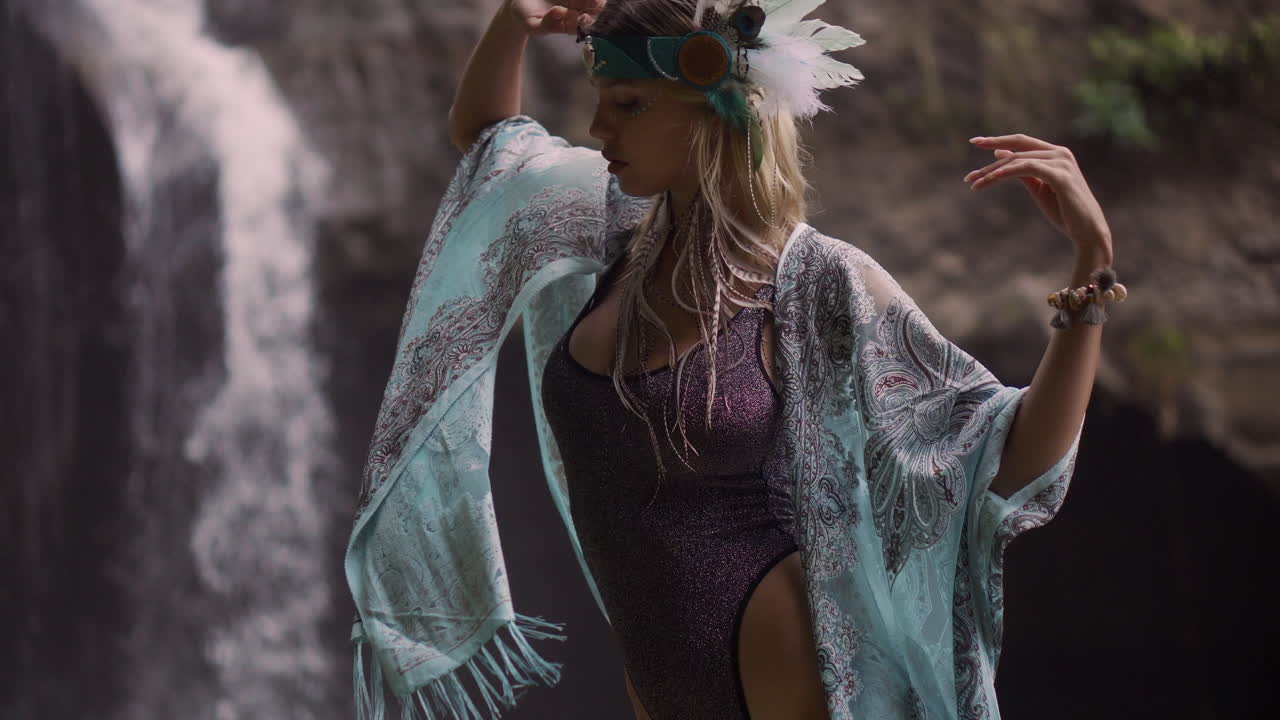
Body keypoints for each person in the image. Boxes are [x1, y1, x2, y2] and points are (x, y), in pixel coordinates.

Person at [347, 1, 1122, 719]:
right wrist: (514, 21)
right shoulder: (610, 228)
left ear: (712, 112)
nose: (597, 127)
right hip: (658, 676)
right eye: (601, 100)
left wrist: (1092, 267)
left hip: (775, 657)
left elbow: (1008, 454)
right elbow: (488, 142)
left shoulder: (814, 283)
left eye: (630, 105)